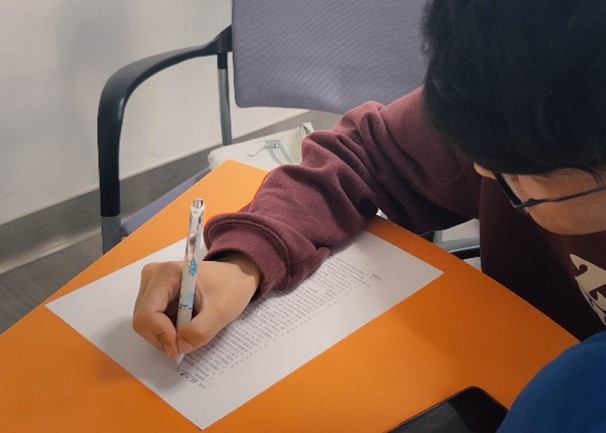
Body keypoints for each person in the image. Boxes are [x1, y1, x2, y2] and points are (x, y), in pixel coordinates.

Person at [133, 0, 606, 428]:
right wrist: (243, 261)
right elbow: (362, 152)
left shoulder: (562, 118)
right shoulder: (513, 102)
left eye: (520, 179)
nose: (484, 169)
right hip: (507, 375)